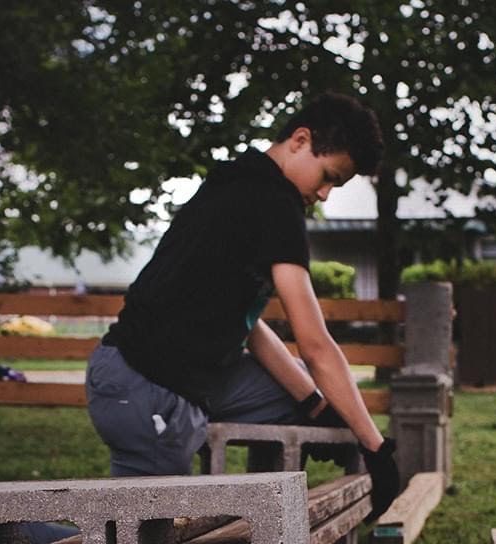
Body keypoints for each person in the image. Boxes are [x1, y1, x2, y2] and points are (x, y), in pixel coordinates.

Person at [85, 90, 401, 520]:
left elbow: (249, 326)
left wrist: (313, 403)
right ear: (300, 140)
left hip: (184, 374)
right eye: (328, 176)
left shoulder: (238, 182)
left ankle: (272, 525)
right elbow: (315, 344)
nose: (326, 194)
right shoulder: (274, 202)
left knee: (315, 393)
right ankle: (20, 542)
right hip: (146, 384)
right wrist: (376, 449)